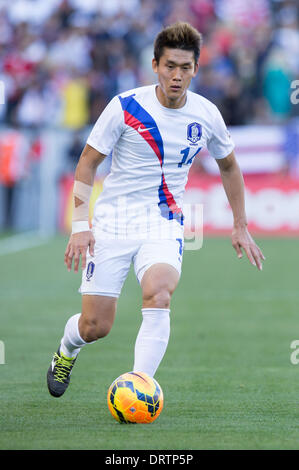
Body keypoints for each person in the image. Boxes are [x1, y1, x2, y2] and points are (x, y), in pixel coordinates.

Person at [47, 22, 265, 398]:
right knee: (96, 325)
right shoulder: (125, 106)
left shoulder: (206, 114)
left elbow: (228, 165)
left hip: (163, 223)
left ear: (196, 68)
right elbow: (86, 163)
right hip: (113, 222)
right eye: (169, 66)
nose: (176, 76)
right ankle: (66, 351)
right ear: (155, 65)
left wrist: (240, 225)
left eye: (185, 67)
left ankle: (138, 388)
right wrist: (80, 225)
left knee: (159, 293)